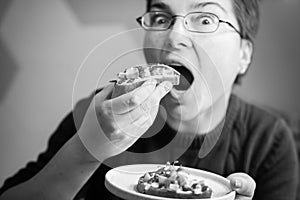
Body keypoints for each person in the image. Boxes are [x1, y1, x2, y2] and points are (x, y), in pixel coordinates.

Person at [0, 0, 298, 199]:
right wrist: (85, 151)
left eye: (206, 19)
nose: (173, 36)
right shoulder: (101, 112)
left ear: (244, 55)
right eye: (161, 18)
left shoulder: (269, 141)